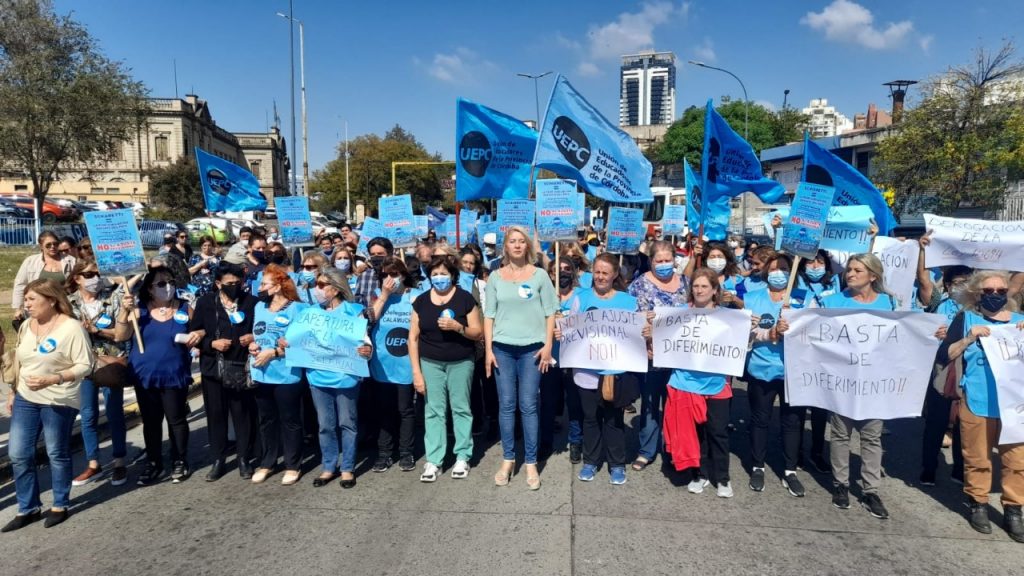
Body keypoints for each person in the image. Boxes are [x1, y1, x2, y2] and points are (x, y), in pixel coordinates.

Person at [937, 270, 1024, 541]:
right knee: (977, 457)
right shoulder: (966, 319)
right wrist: (968, 338)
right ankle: (978, 503)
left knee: (1017, 461)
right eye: (989, 291)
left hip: (1015, 404)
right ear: (977, 293)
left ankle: (1014, 510)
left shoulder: (1021, 321)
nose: (996, 295)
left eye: (1001, 291)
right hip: (977, 399)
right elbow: (946, 355)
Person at [810, 253, 898, 519]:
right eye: (849, 270)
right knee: (840, 434)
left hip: (874, 381)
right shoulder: (833, 302)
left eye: (858, 270)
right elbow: (814, 331)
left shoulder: (889, 303)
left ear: (873, 276)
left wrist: (933, 333)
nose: (850, 274)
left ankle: (871, 490)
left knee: (871, 437)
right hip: (842, 380)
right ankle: (841, 484)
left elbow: (906, 334)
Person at [3, 279, 93, 532]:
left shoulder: (72, 328)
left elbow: (85, 364)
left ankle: (60, 504)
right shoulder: (27, 326)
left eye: (32, 299)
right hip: (25, 397)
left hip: (59, 398)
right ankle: (28, 507)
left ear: (51, 299)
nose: (26, 304)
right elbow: (21, 361)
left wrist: (54, 378)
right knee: (18, 453)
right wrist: (13, 391)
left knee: (56, 452)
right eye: (26, 299)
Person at [484, 226, 557, 490]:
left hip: (532, 351)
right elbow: (489, 315)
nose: (516, 245)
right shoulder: (495, 277)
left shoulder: (539, 276)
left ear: (527, 246)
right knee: (506, 406)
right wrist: (489, 350)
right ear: (505, 246)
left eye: (521, 242)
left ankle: (530, 462)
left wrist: (548, 345)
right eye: (512, 241)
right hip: (502, 348)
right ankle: (508, 458)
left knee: (528, 405)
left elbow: (551, 312)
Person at [560, 253, 642, 485]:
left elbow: (635, 333)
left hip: (615, 373)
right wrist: (561, 331)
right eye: (597, 272)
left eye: (606, 273)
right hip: (586, 371)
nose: (600, 277)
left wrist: (645, 333)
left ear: (615, 274)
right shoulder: (581, 297)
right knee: (590, 418)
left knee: (614, 419)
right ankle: (591, 461)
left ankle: (617, 464)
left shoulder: (628, 301)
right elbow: (571, 327)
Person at [120, 268, 203, 486]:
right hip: (145, 376)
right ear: (149, 288)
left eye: (170, 281)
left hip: (174, 374)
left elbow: (201, 330)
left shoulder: (185, 308)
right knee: (151, 422)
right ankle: (154, 462)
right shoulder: (139, 311)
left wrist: (198, 335)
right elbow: (121, 335)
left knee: (176, 419)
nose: (167, 286)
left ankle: (179, 459)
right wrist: (123, 312)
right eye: (160, 283)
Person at [660, 268, 735, 498]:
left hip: (716, 384)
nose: (699, 290)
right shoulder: (679, 314)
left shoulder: (728, 317)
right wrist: (650, 328)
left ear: (714, 290)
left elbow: (740, 344)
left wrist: (750, 330)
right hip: (686, 383)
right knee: (696, 434)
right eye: (696, 286)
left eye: (704, 286)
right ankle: (700, 474)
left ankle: (722, 479)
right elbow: (663, 338)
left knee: (718, 433)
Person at [295, 266, 372, 489]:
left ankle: (347, 467)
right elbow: (300, 339)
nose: (316, 289)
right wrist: (287, 344)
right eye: (316, 285)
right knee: (325, 425)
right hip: (318, 376)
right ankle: (329, 466)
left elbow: (364, 340)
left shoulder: (353, 311)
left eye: (321, 285)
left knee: (347, 423)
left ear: (335, 288)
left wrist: (367, 350)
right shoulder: (310, 313)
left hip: (346, 376)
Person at [409, 254, 483, 482]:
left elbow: (477, 332)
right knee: (433, 410)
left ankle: (462, 455)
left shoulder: (464, 299)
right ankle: (434, 460)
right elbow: (413, 338)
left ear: (453, 275)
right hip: (430, 363)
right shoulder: (420, 301)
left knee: (460, 408)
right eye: (434, 274)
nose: (439, 278)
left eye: (443, 273)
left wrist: (458, 327)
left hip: (461, 362)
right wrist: (416, 373)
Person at [743, 253, 807, 497]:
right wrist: (770, 332)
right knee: (760, 419)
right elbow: (745, 334)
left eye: (783, 268)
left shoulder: (803, 298)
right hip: (761, 369)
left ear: (792, 272)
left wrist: (795, 321)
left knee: (792, 422)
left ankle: (790, 470)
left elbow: (814, 331)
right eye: (773, 268)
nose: (778, 272)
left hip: (794, 371)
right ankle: (757, 465)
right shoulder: (752, 298)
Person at [191, 262, 258, 481]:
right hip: (214, 369)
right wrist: (212, 344)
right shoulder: (206, 303)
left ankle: (244, 458)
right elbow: (194, 335)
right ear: (218, 284)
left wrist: (253, 337)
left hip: (240, 367)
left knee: (242, 415)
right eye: (229, 283)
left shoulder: (251, 302)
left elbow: (262, 329)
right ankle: (218, 460)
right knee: (216, 415)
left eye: (238, 283)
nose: (234, 286)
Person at [628, 240, 690, 471]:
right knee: (650, 405)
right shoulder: (639, 285)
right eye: (659, 260)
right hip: (652, 356)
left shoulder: (686, 282)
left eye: (668, 260)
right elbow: (632, 319)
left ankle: (674, 449)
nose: (664, 264)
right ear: (651, 261)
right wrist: (645, 337)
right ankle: (646, 450)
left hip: (680, 357)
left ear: (675, 260)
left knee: (676, 405)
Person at [67, 261, 129, 488]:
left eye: (97, 274)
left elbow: (122, 332)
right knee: (88, 414)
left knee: (114, 412)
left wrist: (97, 330)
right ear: (77, 278)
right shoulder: (69, 302)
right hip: (83, 363)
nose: (94, 278)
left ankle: (119, 459)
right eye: (88, 274)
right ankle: (93, 463)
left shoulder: (111, 298)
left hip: (111, 363)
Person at [248, 264, 307, 485]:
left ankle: (293, 464)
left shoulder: (298, 309)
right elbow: (257, 333)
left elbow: (302, 343)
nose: (260, 287)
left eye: (264, 284)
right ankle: (267, 462)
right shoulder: (259, 307)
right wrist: (253, 345)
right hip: (262, 372)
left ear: (279, 285)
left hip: (286, 374)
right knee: (266, 419)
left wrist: (274, 352)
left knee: (289, 419)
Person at [918, 262, 972, 487]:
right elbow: (923, 278)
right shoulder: (938, 303)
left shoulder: (977, 309)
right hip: (941, 367)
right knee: (936, 422)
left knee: (963, 422)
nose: (963, 287)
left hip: (968, 368)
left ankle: (960, 468)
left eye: (967, 283)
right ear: (948, 286)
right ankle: (928, 468)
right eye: (959, 283)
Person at [367, 258, 420, 474]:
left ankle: (406, 452)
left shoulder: (415, 297)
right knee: (384, 410)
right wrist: (385, 295)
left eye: (394, 274)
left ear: (403, 275)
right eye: (384, 276)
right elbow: (371, 318)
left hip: (406, 364)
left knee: (405, 410)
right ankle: (384, 453)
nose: (390, 280)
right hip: (383, 365)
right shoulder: (378, 298)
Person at [12, 231, 77, 318]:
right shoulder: (30, 261)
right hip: (38, 308)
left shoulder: (71, 261)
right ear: (41, 246)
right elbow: (20, 285)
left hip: (63, 307)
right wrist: (18, 308)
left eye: (55, 244)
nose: (52, 247)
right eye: (48, 245)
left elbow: (78, 284)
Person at [355, 237, 393, 308]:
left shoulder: (398, 276)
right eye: (373, 254)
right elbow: (358, 302)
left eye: (380, 254)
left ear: (389, 254)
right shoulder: (364, 276)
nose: (376, 257)